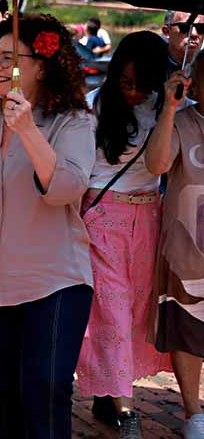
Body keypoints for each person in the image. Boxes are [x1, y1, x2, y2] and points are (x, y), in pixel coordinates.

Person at [0, 14, 96, 439]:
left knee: (45, 389)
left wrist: (27, 129)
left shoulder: (74, 122)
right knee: (1, 392)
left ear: (42, 65)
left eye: (10, 57)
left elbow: (67, 187)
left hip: (54, 282)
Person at [76, 32, 174, 438]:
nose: (132, 92)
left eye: (140, 84)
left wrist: (169, 106)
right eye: (125, 82)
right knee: (111, 315)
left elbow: (160, 166)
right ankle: (127, 410)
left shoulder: (166, 105)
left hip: (149, 217)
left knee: (135, 313)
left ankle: (108, 391)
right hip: (103, 217)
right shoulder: (94, 104)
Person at [146, 50, 204, 439]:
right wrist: (169, 109)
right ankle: (193, 412)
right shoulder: (182, 122)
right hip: (188, 251)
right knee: (187, 330)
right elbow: (157, 165)